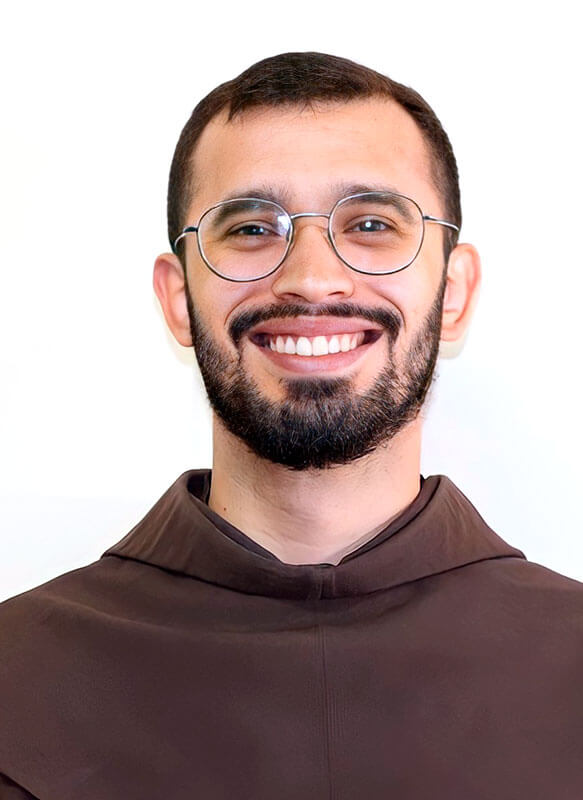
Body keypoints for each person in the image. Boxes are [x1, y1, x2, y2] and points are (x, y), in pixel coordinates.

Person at [1, 51, 582, 800]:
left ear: (453, 292)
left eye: (370, 224)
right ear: (178, 298)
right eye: (251, 228)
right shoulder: (17, 682)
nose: (310, 277)